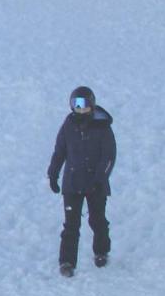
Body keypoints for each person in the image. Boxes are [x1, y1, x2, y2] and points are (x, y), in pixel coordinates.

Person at [47, 86, 115, 276]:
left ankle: (101, 252)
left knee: (98, 220)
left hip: (95, 184)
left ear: (91, 105)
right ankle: (67, 262)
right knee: (71, 224)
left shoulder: (102, 127)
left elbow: (109, 156)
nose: (80, 108)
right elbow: (60, 151)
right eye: (76, 104)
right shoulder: (68, 125)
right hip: (73, 182)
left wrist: (101, 178)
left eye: (84, 104)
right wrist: (53, 174)